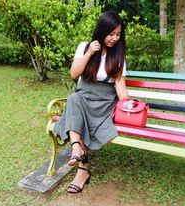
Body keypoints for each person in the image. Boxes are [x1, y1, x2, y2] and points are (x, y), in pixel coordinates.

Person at [53, 11, 129, 194]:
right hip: (84, 94)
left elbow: (119, 84)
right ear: (102, 30)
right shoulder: (84, 47)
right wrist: (89, 53)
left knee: (81, 115)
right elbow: (74, 74)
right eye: (111, 34)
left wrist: (126, 103)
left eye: (118, 34)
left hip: (104, 100)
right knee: (74, 99)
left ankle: (80, 166)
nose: (115, 38)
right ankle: (77, 150)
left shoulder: (118, 55)